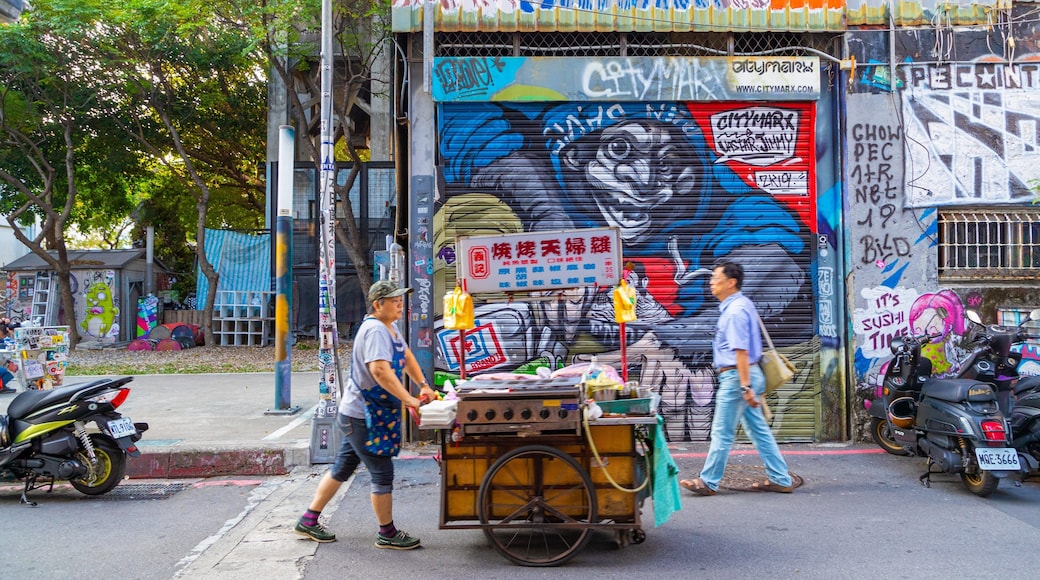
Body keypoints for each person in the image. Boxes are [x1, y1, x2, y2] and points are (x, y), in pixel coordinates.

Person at [293, 280, 437, 548]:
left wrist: (424, 385)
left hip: (359, 413)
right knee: (381, 471)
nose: (399, 304)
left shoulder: (390, 329)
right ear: (377, 304)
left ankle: (308, 520)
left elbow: (405, 356)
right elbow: (380, 371)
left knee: (343, 467)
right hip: (363, 416)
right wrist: (409, 399)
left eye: (400, 299)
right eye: (394, 300)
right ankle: (387, 533)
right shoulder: (374, 331)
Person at [679, 261, 795, 495]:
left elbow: (740, 351)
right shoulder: (742, 305)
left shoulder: (734, 311)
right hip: (745, 375)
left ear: (731, 282)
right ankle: (781, 478)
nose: (711, 282)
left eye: (716, 278)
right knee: (758, 430)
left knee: (722, 432)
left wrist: (745, 387)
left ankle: (709, 481)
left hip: (737, 378)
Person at [1, 317, 17, 394]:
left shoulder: (5, 340)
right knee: (6, 371)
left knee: (9, 370)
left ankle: (2, 386)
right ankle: (1, 386)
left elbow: (15, 344)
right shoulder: (5, 339)